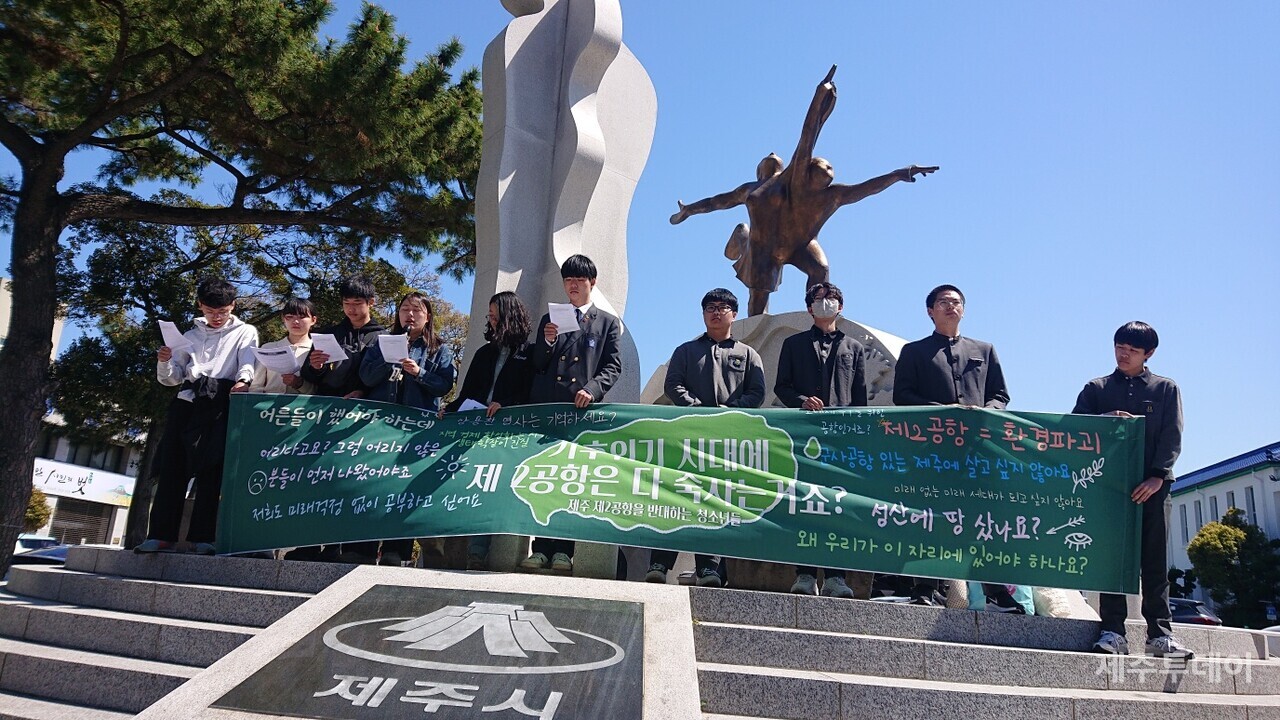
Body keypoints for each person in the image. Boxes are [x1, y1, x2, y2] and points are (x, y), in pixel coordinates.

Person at [669, 66, 937, 315]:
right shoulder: (752, 189)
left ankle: (817, 313)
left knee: (820, 269)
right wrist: (689, 210)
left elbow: (813, 138)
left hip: (799, 244)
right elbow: (718, 202)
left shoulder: (806, 185)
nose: (774, 155)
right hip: (763, 247)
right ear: (759, 169)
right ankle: (743, 238)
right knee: (758, 303)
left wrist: (898, 174)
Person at [892, 284, 1022, 610]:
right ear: (930, 311)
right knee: (928, 518)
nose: (951, 306)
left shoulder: (985, 349)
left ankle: (996, 593)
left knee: (983, 520)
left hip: (976, 452)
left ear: (963, 309)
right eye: (943, 302)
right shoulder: (914, 351)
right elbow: (903, 397)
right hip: (933, 452)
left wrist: (985, 414)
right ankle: (923, 589)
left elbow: (1000, 396)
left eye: (956, 302)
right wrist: (944, 412)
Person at [1074, 322, 1191, 658]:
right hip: (1108, 488)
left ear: (1148, 354)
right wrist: (1104, 418)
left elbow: (1172, 436)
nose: (1123, 354)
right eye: (1119, 347)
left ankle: (1161, 636)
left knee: (1155, 562)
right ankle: (1112, 631)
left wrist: (1157, 476)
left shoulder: (1165, 388)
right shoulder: (1096, 388)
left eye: (1132, 350)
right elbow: (1075, 430)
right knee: (1113, 561)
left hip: (1154, 488)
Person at [648, 288, 765, 588]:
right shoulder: (686, 351)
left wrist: (731, 412)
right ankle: (659, 564)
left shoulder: (748, 354)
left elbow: (757, 393)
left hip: (727, 442)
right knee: (673, 498)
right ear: (703, 314)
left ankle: (709, 568)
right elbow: (673, 384)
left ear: (734, 314)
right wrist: (696, 409)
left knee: (715, 503)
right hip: (687, 439)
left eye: (723, 307)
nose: (716, 312)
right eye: (710, 307)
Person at [136, 278, 258, 555]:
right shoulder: (189, 337)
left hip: (221, 400)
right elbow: (172, 379)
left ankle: (203, 537)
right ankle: (161, 535)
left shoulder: (245, 331)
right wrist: (164, 360)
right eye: (211, 311)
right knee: (173, 467)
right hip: (187, 401)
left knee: (212, 470)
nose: (217, 317)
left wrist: (243, 381)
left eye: (223, 311)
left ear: (233, 306)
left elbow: (247, 361)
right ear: (200, 306)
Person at [521, 254, 623, 573]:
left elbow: (613, 366)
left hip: (579, 411)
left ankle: (564, 550)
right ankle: (541, 548)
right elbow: (536, 364)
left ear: (592, 282)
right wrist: (548, 342)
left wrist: (592, 389)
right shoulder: (551, 317)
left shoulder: (606, 322)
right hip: (550, 410)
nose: (573, 285)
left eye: (579, 279)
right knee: (544, 478)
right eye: (568, 280)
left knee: (571, 479)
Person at [774, 282, 866, 598]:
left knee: (838, 505)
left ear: (841, 306)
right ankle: (805, 574)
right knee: (805, 503)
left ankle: (836, 577)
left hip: (839, 439)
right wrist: (801, 400)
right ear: (809, 308)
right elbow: (781, 387)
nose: (825, 303)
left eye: (831, 299)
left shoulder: (853, 347)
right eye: (818, 299)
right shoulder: (793, 343)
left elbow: (860, 399)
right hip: (804, 436)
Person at [287, 275, 385, 563]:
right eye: (346, 303)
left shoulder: (382, 336)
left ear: (371, 303)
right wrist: (315, 367)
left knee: (358, 482)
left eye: (357, 303)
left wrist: (363, 391)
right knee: (319, 480)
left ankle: (358, 549)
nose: (351, 309)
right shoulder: (329, 334)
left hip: (363, 420)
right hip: (325, 415)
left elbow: (386, 378)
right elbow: (308, 374)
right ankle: (309, 545)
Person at [357, 291, 457, 566]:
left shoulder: (439, 348)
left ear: (427, 316)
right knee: (371, 483)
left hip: (415, 432)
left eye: (416, 310)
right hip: (379, 427)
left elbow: (444, 385)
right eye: (404, 310)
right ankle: (362, 546)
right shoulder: (381, 343)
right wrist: (388, 359)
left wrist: (419, 373)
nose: (409, 315)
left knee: (402, 488)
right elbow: (365, 377)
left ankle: (396, 549)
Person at [441, 291, 534, 570]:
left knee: (495, 486)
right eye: (489, 316)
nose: (491, 321)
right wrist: (450, 408)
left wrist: (507, 404)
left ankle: (479, 550)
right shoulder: (484, 353)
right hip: (475, 431)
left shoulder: (530, 353)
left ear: (509, 316)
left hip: (508, 435)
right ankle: (466, 548)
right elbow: (467, 392)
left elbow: (531, 394)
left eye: (495, 315)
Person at [248, 297, 317, 395]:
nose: (295, 321)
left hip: (302, 409)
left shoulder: (318, 351)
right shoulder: (268, 348)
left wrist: (299, 384)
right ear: (283, 319)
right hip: (267, 408)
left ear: (313, 320)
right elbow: (256, 386)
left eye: (301, 316)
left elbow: (321, 390)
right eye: (290, 316)